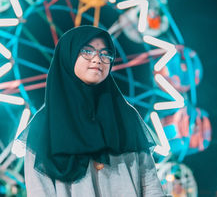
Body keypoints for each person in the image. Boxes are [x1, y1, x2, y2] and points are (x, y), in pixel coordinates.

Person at [16, 26, 166, 196]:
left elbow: (150, 183)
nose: (97, 59)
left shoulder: (126, 116)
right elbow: (39, 191)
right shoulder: (46, 124)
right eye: (87, 51)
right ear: (68, 56)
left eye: (105, 53)